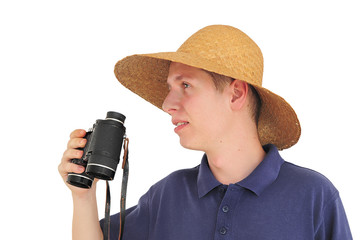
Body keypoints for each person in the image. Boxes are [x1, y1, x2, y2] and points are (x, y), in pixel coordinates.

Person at [58, 25, 353, 239]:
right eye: (170, 88)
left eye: (185, 85)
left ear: (236, 94)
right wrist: (83, 196)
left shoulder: (314, 196)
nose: (167, 104)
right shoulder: (168, 195)